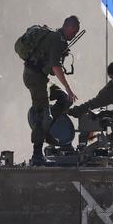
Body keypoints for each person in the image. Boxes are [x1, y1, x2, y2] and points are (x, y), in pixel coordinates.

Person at [22, 15, 80, 165]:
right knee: (43, 115)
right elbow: (55, 67)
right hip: (35, 78)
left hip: (41, 77)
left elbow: (51, 67)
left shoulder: (57, 39)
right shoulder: (56, 39)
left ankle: (46, 128)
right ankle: (37, 155)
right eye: (73, 32)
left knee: (64, 99)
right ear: (67, 26)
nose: (73, 35)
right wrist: (68, 88)